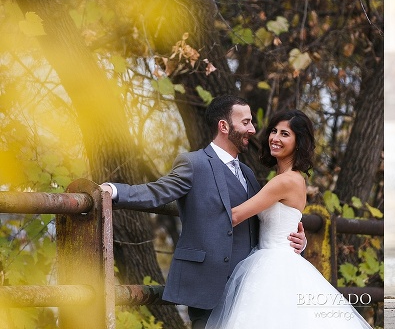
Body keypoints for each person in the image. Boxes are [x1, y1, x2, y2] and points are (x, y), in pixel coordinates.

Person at [102, 95, 306, 329]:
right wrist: (114, 191)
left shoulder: (249, 174)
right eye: (246, 122)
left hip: (247, 290)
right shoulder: (194, 163)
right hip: (206, 285)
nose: (253, 129)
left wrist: (298, 240)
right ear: (224, 126)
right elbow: (156, 192)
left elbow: (265, 222)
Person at [205, 110, 371, 328]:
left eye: (285, 134)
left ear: (298, 142)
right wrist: (302, 240)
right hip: (282, 260)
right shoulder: (295, 180)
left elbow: (235, 216)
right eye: (274, 131)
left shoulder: (285, 182)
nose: (275, 138)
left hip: (273, 265)